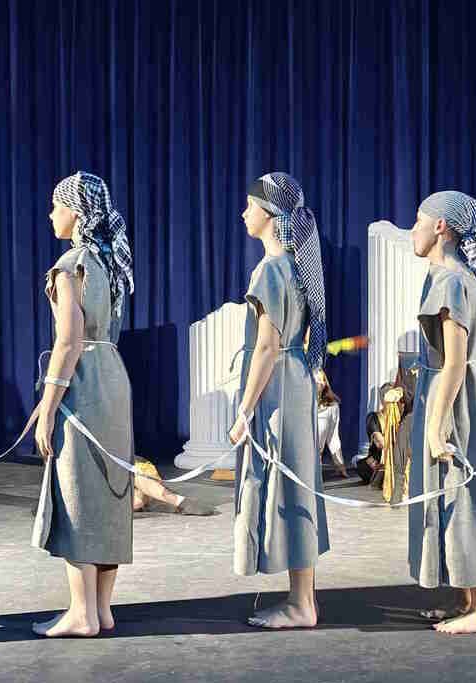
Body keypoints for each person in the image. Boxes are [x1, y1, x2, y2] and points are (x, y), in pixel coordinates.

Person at [31, 172, 134, 638]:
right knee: (108, 491)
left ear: (74, 212)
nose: (51, 214)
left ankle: (81, 613)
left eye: (56, 206)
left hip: (85, 382)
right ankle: (102, 609)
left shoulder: (70, 264)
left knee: (77, 492)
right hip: (113, 378)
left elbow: (69, 341)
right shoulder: (109, 264)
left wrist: (48, 406)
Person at [227, 172, 328, 629]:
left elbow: (267, 347)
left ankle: (302, 604)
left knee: (288, 487)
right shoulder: (294, 266)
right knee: (295, 485)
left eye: (251, 206)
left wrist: (244, 410)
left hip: (279, 387)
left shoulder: (270, 269)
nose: (244, 213)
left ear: (269, 214)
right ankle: (302, 598)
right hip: (295, 380)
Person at [407, 190, 476, 634]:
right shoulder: (443, 276)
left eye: (418, 220)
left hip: (452, 396)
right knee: (447, 496)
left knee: (462, 497)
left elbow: (453, 362)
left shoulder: (452, 281)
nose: (413, 229)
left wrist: (435, 428)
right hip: (445, 391)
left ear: (440, 227)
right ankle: (466, 598)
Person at [133, 457, 207, 515]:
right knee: (137, 502)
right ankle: (170, 500)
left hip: (135, 468)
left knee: (136, 475)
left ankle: (179, 501)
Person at [314, 369, 348, 478]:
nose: (320, 383)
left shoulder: (332, 406)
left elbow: (333, 436)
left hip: (315, 466)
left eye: (322, 380)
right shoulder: (301, 404)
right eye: (317, 380)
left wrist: (340, 464)